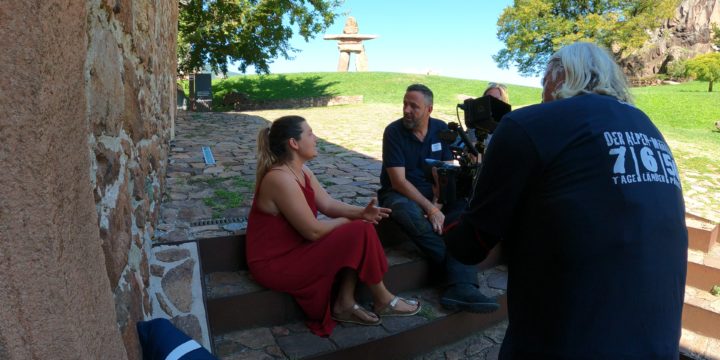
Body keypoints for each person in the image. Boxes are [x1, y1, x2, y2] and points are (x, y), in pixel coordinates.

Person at [445, 42, 687, 359]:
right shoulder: (648, 128)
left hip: (571, 341)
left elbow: (470, 245)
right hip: (659, 342)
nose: (544, 94)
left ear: (560, 77)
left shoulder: (527, 124)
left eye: (545, 82)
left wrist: (447, 208)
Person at [246, 115, 420, 337]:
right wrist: (350, 221)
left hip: (297, 249)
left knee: (360, 229)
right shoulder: (279, 179)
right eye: (309, 133)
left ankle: (346, 303)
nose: (315, 138)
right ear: (294, 143)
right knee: (357, 230)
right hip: (275, 263)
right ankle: (382, 299)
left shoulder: (301, 171)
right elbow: (313, 230)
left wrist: (361, 213)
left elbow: (327, 204)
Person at [377, 84, 499, 313]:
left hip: (434, 192)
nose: (407, 110)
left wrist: (437, 204)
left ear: (429, 109)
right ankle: (460, 279)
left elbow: (443, 173)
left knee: (464, 208)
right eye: (405, 104)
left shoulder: (441, 128)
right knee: (407, 212)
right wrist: (430, 210)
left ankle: (460, 289)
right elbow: (398, 182)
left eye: (414, 106)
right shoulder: (393, 132)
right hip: (399, 193)